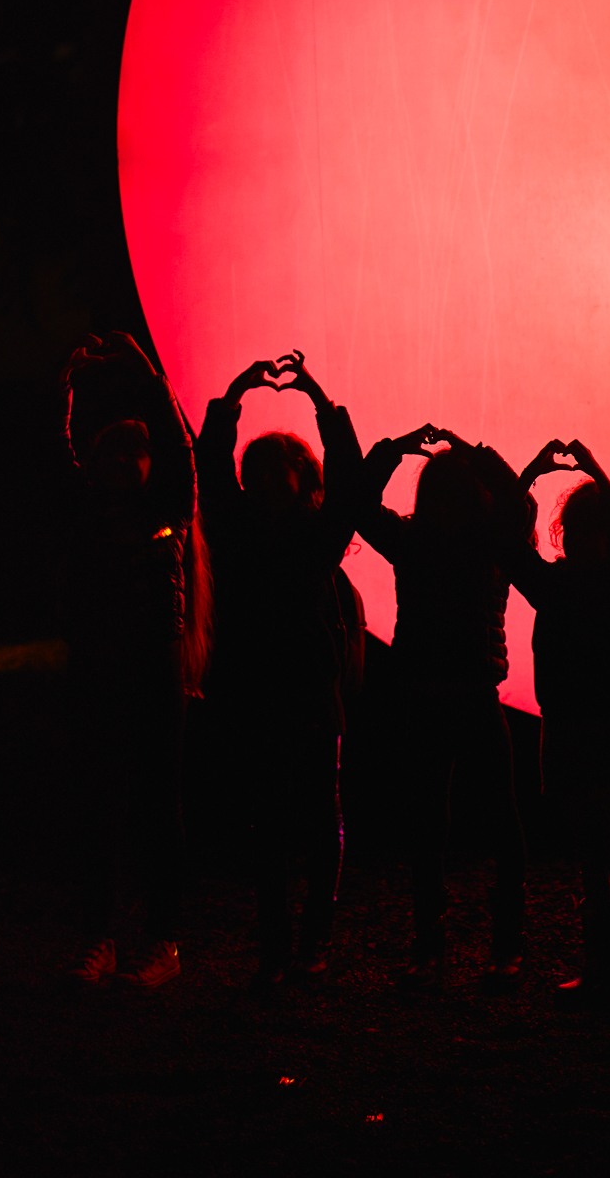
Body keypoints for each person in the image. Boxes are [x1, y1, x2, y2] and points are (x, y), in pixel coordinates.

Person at [195, 350, 366, 988]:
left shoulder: (317, 537)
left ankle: (309, 941)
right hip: (261, 696)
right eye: (257, 471)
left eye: (276, 469)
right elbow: (211, 467)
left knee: (315, 819)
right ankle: (279, 945)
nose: (264, 479)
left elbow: (347, 480)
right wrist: (235, 395)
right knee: (271, 822)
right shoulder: (241, 532)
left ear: (302, 476)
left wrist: (320, 401)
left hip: (308, 695)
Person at [354, 425, 536, 986]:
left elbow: (360, 504)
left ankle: (434, 947)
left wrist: (396, 449)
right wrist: (476, 454)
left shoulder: (415, 540)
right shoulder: (494, 543)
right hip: (474, 698)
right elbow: (521, 503)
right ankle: (503, 947)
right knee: (495, 823)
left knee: (433, 825)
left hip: (433, 699)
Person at [59, 330, 211, 989]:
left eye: (135, 451)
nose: (124, 460)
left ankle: (162, 943)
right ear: (94, 464)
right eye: (112, 452)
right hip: (97, 672)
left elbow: (181, 452)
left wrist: (150, 374)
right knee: (97, 808)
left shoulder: (171, 510)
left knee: (159, 807)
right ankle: (99, 941)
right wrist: (65, 388)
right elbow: (52, 455)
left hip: (155, 670)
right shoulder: (84, 514)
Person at [506, 439, 610, 998]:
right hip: (594, 725)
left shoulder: (559, 587)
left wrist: (530, 475)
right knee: (608, 851)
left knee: (604, 850)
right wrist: (594, 470)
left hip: (579, 725)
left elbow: (510, 543)